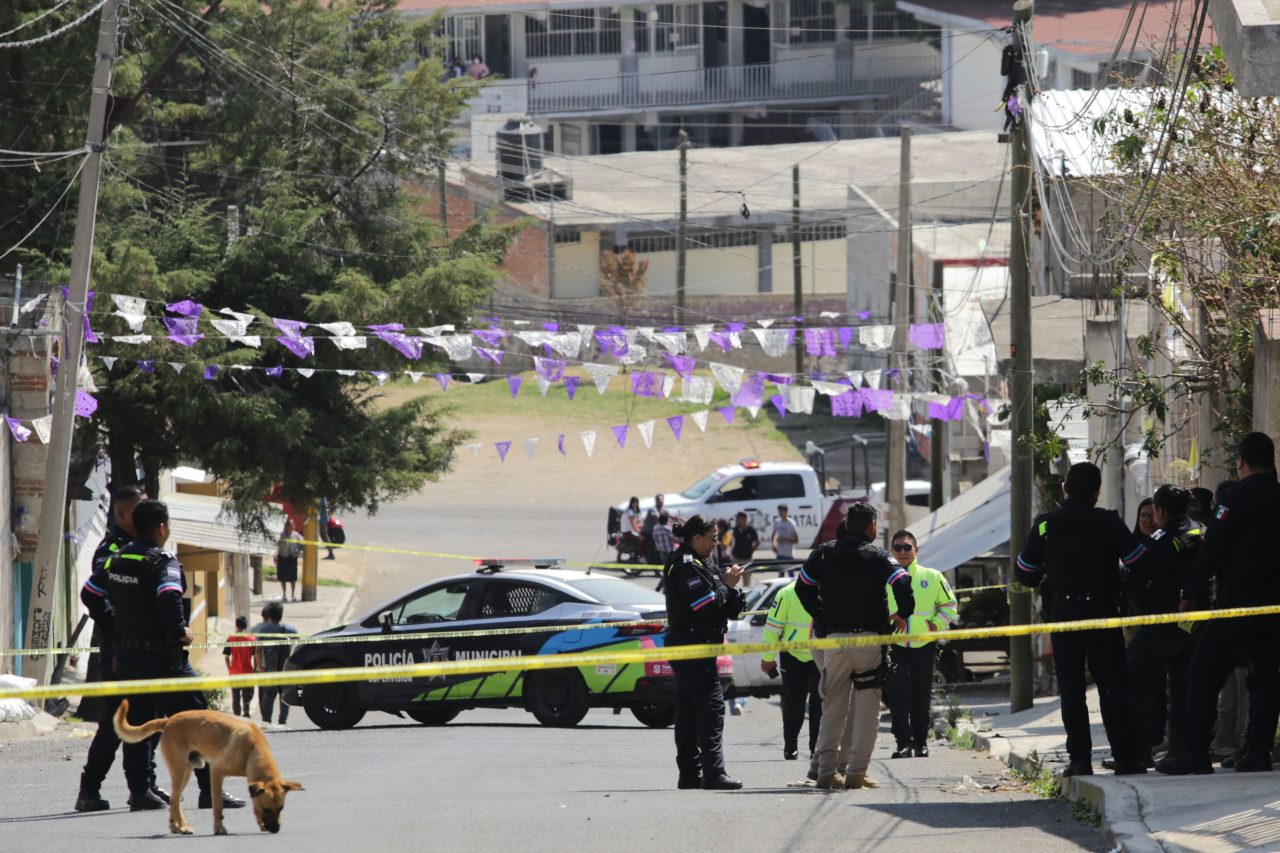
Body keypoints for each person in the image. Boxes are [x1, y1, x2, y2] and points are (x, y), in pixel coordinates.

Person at [108, 499, 245, 811]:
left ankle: (140, 791)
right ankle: (210, 790)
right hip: (164, 661)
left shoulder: (118, 559)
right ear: (162, 527)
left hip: (130, 656)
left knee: (139, 724)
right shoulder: (162, 561)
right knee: (201, 722)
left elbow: (109, 602)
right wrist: (180, 630)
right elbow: (169, 596)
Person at [1016, 461, 1149, 776]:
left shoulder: (1047, 524)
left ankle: (1079, 760)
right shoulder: (1108, 522)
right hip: (1103, 613)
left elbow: (1025, 573)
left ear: (1065, 488)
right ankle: (1126, 759)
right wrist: (1119, 579)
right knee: (1112, 686)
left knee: (1072, 689)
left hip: (1064, 616)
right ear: (1096, 491)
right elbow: (1139, 565)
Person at [1158, 432, 1280, 775]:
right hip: (1274, 609)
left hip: (1237, 606)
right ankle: (1257, 750)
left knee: (1203, 671)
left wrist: (1189, 592)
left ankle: (1194, 751)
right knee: (1266, 678)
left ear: (1240, 462)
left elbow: (1212, 549)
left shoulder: (1236, 500)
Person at [795, 503, 914, 790]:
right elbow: (903, 581)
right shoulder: (879, 556)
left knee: (833, 706)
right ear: (873, 525)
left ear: (848, 524)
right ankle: (856, 774)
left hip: (835, 641)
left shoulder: (823, 553)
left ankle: (825, 771)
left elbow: (802, 587)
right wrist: (902, 613)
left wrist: (821, 615)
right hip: (869, 642)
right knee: (867, 708)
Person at [75, 485, 163, 813]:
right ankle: (89, 789)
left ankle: (144, 785)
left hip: (145, 648)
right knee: (116, 722)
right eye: (140, 508)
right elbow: (98, 597)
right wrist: (120, 629)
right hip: (118, 649)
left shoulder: (143, 545)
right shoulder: (111, 549)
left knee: (150, 716)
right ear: (124, 513)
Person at [661, 514, 747, 790]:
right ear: (696, 537)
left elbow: (724, 607)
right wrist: (727, 586)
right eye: (712, 538)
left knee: (687, 709)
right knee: (711, 706)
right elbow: (707, 605)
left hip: (702, 643)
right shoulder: (685, 565)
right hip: (690, 644)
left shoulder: (702, 563)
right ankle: (713, 773)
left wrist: (731, 590)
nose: (716, 544)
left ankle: (690, 774)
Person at [1121, 485, 1202, 766]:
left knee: (1134, 680)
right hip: (1195, 623)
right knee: (1183, 688)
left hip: (1163, 623)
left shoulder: (1162, 538)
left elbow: (1138, 571)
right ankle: (1186, 752)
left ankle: (1135, 754)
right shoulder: (1199, 530)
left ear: (1160, 511)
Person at [884, 530, 957, 759]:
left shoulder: (933, 576)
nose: (903, 552)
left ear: (917, 549)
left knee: (921, 694)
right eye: (898, 548)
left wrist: (934, 625)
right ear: (891, 551)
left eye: (907, 547)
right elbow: (875, 607)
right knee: (897, 694)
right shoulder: (883, 577)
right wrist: (889, 619)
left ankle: (920, 742)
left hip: (924, 644)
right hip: (895, 644)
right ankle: (902, 743)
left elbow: (949, 605)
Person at [761, 580, 820, 762]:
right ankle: (790, 745)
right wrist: (768, 658)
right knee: (793, 703)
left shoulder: (829, 587)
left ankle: (816, 749)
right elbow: (773, 627)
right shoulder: (786, 593)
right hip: (792, 656)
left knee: (820, 704)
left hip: (821, 655)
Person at [253, 601, 300, 727]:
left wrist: (260, 666)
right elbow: (300, 641)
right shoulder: (289, 629)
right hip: (285, 669)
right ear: (281, 614)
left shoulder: (263, 630)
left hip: (269, 669)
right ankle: (282, 721)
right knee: (284, 695)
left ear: (268, 615)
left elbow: (258, 650)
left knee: (268, 695)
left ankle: (266, 720)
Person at [222, 615, 257, 718]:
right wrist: (254, 669)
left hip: (234, 673)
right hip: (248, 672)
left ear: (236, 626)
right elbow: (255, 656)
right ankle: (246, 713)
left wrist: (230, 669)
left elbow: (226, 656)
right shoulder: (252, 639)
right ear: (246, 626)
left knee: (235, 698)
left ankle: (236, 717)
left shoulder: (230, 639)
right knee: (247, 695)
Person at [276, 518, 303, 602]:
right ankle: (284, 594)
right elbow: (276, 545)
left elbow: (302, 544)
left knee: (292, 578)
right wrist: (275, 555)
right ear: (286, 526)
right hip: (282, 558)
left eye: (292, 525)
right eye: (289, 525)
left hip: (292, 558)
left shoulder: (296, 535)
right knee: (282, 577)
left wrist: (299, 552)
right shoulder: (281, 535)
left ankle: (293, 594)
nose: (291, 527)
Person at [643, 494, 666, 564]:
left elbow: (667, 516)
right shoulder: (652, 509)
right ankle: (654, 561)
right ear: (656, 501)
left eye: (662, 500)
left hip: (655, 532)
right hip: (649, 532)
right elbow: (657, 518)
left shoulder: (662, 510)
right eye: (659, 500)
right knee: (657, 546)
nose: (661, 501)